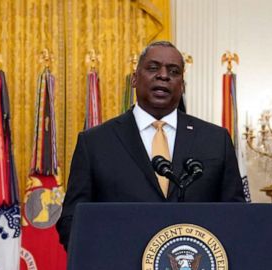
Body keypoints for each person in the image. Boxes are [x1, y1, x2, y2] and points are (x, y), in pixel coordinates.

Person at [56, 40, 246, 250]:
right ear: (135, 79)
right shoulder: (95, 142)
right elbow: (72, 220)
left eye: (174, 71)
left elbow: (237, 217)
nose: (164, 75)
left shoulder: (215, 140)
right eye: (153, 68)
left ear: (182, 85)